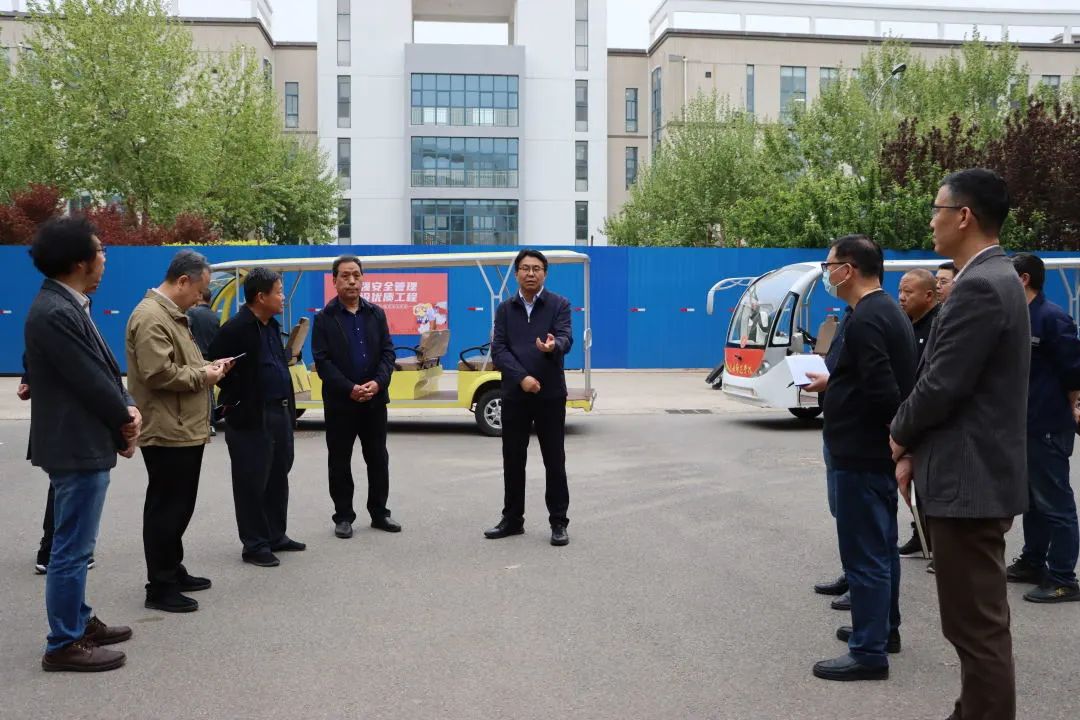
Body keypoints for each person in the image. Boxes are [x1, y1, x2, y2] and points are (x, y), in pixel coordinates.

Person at [891, 169, 1029, 720]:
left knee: (976, 627)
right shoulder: (994, 277)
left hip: (969, 483)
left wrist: (899, 435)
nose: (931, 221)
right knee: (973, 623)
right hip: (973, 477)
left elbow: (942, 384)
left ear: (964, 216)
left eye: (937, 209)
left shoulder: (979, 285)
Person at [24, 216, 140, 672]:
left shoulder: (70, 304)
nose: (104, 258)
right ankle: (63, 643)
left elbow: (104, 369)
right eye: (99, 250)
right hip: (74, 445)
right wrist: (125, 419)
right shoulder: (55, 311)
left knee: (76, 545)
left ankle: (79, 620)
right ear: (78, 262)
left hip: (80, 441)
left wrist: (126, 406)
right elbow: (89, 380)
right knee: (71, 549)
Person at [809, 235, 916, 682]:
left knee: (865, 553)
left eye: (829, 265)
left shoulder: (868, 317)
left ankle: (869, 652)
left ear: (847, 269)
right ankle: (882, 630)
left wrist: (896, 440)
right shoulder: (882, 311)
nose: (826, 274)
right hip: (870, 452)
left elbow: (883, 390)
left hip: (862, 453)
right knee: (881, 547)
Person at [126, 251, 232, 613]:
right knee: (167, 507)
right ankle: (160, 585)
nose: (201, 299)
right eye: (200, 291)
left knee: (179, 504)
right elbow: (158, 373)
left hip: (181, 424)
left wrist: (210, 366)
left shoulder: (171, 315)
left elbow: (182, 363)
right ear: (183, 281)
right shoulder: (151, 316)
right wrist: (205, 376)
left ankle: (172, 568)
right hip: (167, 427)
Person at [209, 268, 306, 567]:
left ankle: (276, 535)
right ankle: (254, 544)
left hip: (279, 412)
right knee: (251, 481)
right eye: (278, 292)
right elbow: (216, 367)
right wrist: (241, 395)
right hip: (251, 416)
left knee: (278, 475)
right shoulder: (235, 329)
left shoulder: (272, 327)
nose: (282, 297)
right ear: (261, 297)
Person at [484, 249, 574, 547]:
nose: (531, 273)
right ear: (517, 274)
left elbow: (566, 338)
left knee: (554, 460)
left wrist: (553, 345)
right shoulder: (505, 309)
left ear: (545, 273)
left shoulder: (559, 304)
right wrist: (522, 378)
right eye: (525, 268)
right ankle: (512, 520)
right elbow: (498, 349)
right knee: (513, 459)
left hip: (550, 395)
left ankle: (558, 522)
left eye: (537, 268)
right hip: (515, 394)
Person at [1009, 252, 1080, 603]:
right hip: (1024, 425)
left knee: (1055, 503)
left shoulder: (1052, 318)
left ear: (1024, 279)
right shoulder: (1017, 317)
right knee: (1032, 502)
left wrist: (1073, 406)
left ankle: (1063, 577)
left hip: (1048, 425)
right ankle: (1033, 562)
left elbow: (1074, 371)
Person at [311, 255, 399, 539]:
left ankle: (379, 513)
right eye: (345, 276)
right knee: (340, 461)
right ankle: (343, 516)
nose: (352, 281)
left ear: (363, 279)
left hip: (374, 401)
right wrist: (349, 388)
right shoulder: (324, 318)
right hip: (341, 403)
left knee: (378, 458)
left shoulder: (376, 313)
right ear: (334, 281)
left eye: (356, 275)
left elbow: (388, 353)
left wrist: (378, 383)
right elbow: (322, 361)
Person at [809, 306, 853, 613]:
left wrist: (831, 381)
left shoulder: (875, 316)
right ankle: (851, 574)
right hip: (836, 432)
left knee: (860, 519)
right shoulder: (850, 315)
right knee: (842, 511)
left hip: (856, 439)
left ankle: (862, 587)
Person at [895, 268, 940, 563]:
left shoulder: (939, 324)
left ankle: (941, 544)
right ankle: (920, 532)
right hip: (908, 416)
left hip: (929, 421)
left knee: (931, 484)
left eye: (908, 292)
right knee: (913, 484)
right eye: (900, 291)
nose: (901, 297)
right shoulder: (907, 325)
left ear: (929, 295)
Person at [187, 287, 221, 435]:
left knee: (196, 391)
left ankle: (200, 423)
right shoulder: (215, 317)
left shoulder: (191, 313)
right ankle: (211, 423)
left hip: (196, 357)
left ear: (200, 296)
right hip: (211, 357)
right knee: (209, 391)